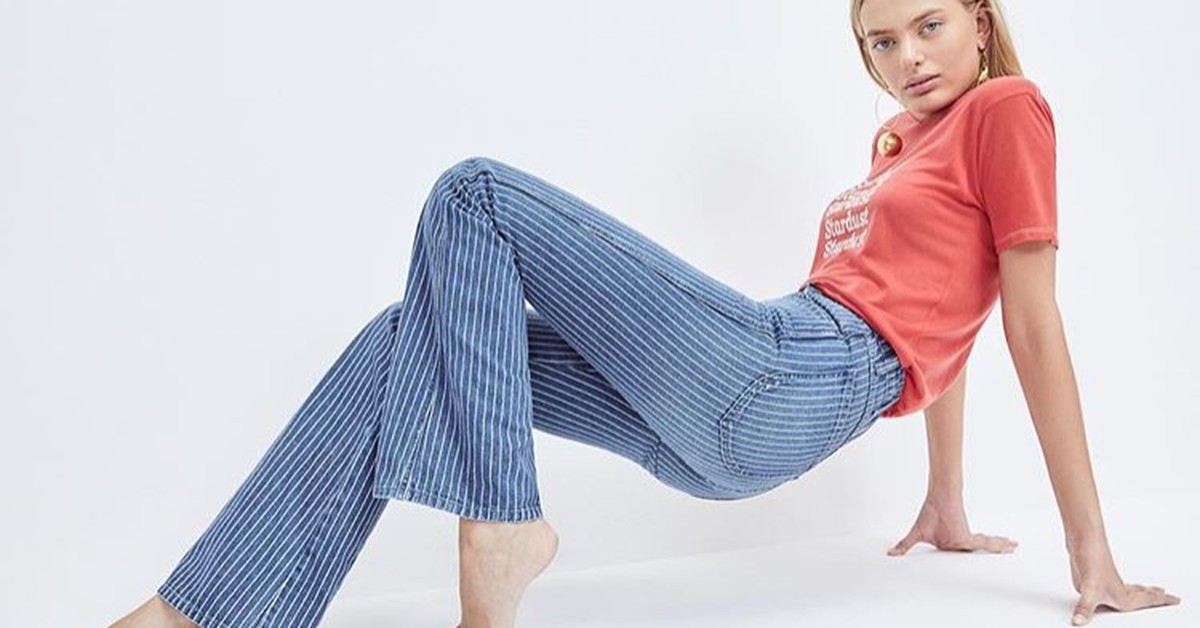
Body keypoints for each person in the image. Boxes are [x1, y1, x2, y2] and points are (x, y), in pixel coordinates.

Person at [110, 1, 1181, 627]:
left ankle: (502, 519)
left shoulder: (1007, 108)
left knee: (475, 195)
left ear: (983, 21)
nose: (908, 58)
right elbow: (944, 319)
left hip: (791, 374)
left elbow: (1027, 320)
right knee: (404, 340)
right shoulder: (897, 144)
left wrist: (1090, 554)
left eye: (929, 25)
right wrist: (944, 501)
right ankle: (195, 614)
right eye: (881, 42)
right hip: (732, 416)